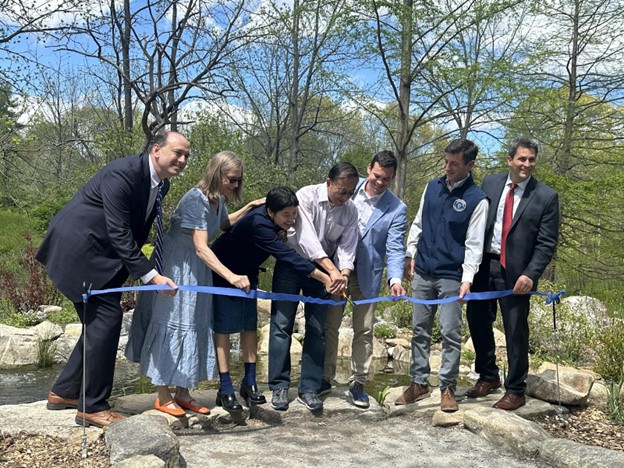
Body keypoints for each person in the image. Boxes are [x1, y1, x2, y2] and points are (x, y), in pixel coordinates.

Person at [37, 131, 188, 428]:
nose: (182, 160)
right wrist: (150, 275)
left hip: (103, 259)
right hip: (78, 251)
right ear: (156, 150)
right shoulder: (123, 173)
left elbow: (135, 229)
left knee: (98, 323)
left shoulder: (162, 185)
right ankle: (92, 406)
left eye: (186, 156)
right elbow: (118, 230)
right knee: (106, 319)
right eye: (177, 153)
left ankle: (65, 391)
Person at [126, 151, 263, 417]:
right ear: (217, 173)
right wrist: (231, 276)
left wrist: (248, 207)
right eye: (232, 180)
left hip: (197, 269)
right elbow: (201, 247)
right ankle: (163, 395)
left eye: (238, 181)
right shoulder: (195, 200)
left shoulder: (216, 200)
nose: (235, 185)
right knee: (172, 322)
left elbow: (221, 224)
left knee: (194, 323)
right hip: (177, 266)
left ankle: (183, 393)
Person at [210, 186, 338, 411]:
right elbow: (287, 255)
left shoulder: (275, 220)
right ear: (271, 211)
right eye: (285, 215)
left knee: (249, 326)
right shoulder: (260, 224)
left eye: (294, 213)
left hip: (248, 273)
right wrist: (323, 276)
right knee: (224, 328)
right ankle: (225, 387)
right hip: (224, 272)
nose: (291, 219)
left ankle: (249, 382)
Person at [465, 137, 559, 411]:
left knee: (515, 329)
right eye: (522, 159)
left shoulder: (545, 196)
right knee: (477, 320)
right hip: (485, 265)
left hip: (517, 274)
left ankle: (516, 390)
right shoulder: (491, 183)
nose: (526, 165)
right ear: (509, 160)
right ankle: (488, 376)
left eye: (531, 160)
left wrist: (531, 273)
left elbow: (546, 242)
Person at [395, 138, 488, 413]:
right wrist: (410, 254)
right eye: (445, 162)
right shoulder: (432, 186)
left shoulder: (477, 199)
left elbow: (474, 243)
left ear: (469, 165)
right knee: (419, 330)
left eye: (454, 164)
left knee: (450, 332)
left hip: (451, 275)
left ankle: (447, 387)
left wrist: (467, 278)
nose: (447, 168)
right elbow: (419, 221)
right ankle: (418, 383)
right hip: (423, 269)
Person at [268, 162, 359, 412]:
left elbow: (348, 246)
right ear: (328, 183)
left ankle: (309, 388)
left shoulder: (350, 210)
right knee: (281, 325)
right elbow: (306, 240)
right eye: (342, 191)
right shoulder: (305, 196)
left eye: (351, 192)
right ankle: (279, 385)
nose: (346, 197)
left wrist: (344, 273)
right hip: (293, 264)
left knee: (317, 329)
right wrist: (332, 271)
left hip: (326, 274)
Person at [322, 151, 407, 408]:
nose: (380, 182)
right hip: (336, 270)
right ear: (368, 168)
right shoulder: (347, 186)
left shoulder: (397, 208)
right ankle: (325, 377)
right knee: (330, 326)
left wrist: (395, 279)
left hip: (368, 275)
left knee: (365, 330)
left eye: (387, 179)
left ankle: (358, 381)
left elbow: (394, 248)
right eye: (377, 175)